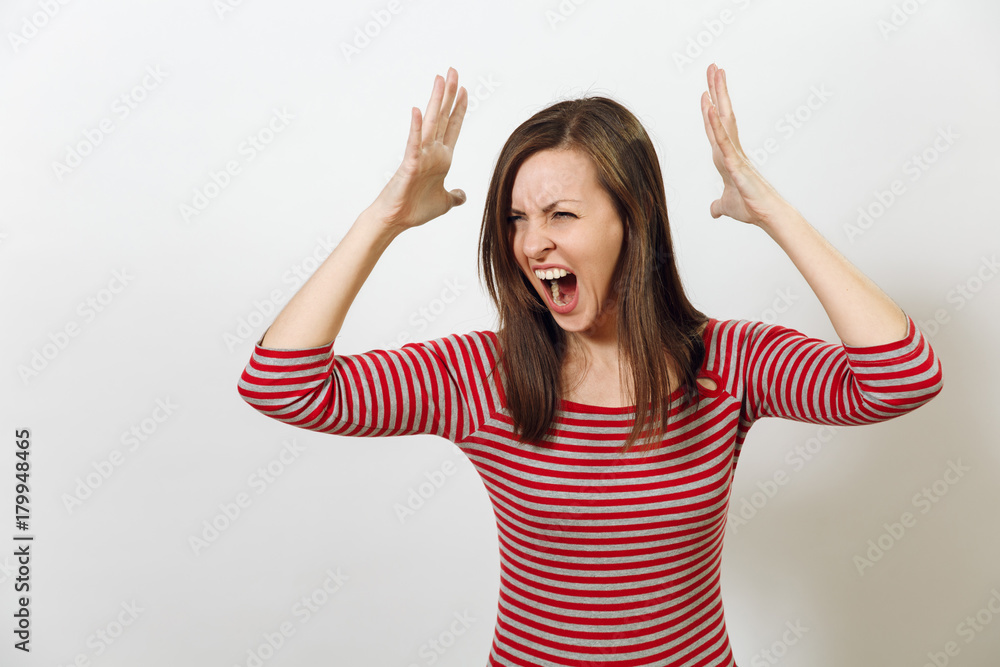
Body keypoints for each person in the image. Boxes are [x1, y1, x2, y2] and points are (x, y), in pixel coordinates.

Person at [237, 66, 943, 666]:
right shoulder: (485, 374)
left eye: (559, 215)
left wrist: (768, 207)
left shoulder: (726, 362)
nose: (532, 242)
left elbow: (903, 375)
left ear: (630, 219)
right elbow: (279, 384)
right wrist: (385, 216)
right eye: (515, 219)